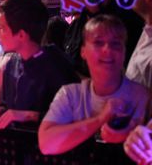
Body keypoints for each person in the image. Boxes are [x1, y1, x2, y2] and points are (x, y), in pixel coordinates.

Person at [39, 15, 149, 155]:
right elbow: (46, 144)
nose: (107, 50)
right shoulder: (71, 95)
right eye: (98, 42)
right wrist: (100, 119)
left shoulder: (143, 96)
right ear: (83, 51)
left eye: (115, 44)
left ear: (123, 52)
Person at [0, 0, 79, 130]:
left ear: (22, 35)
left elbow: (74, 115)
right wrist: (0, 110)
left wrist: (27, 116)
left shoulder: (57, 65)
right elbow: (11, 107)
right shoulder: (12, 63)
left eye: (2, 27)